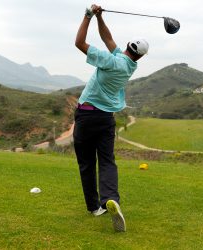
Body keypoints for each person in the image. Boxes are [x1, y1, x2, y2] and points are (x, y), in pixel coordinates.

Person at [73, 4, 149, 232]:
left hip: (87, 116)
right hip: (106, 119)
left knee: (87, 163)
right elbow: (108, 38)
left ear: (127, 46)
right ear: (140, 56)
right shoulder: (129, 65)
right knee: (107, 161)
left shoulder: (110, 60)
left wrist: (87, 15)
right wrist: (100, 18)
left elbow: (79, 43)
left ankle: (94, 207)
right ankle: (110, 198)